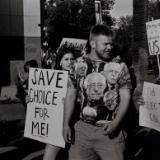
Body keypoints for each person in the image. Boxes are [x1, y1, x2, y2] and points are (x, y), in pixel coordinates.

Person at [63, 24, 131, 160]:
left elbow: (126, 98)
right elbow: (70, 94)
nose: (110, 48)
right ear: (93, 44)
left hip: (110, 132)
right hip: (82, 131)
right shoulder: (78, 64)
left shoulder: (120, 66)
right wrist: (65, 124)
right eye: (105, 44)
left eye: (111, 44)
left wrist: (115, 124)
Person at [43, 44, 76, 160]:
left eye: (72, 59)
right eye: (66, 59)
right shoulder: (52, 79)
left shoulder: (80, 78)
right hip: (56, 125)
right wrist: (31, 100)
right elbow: (44, 99)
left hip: (76, 125)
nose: (70, 62)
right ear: (60, 62)